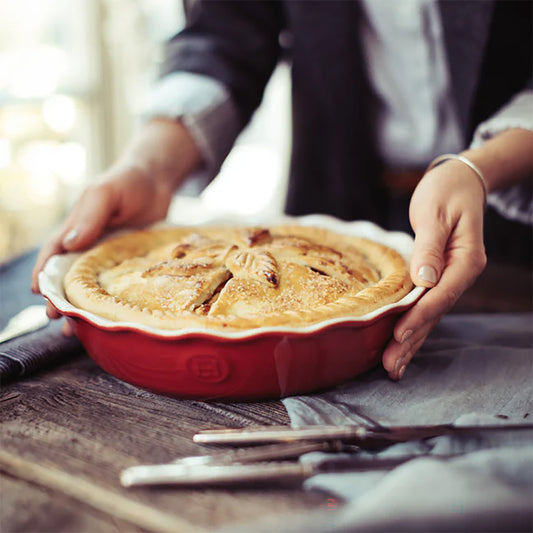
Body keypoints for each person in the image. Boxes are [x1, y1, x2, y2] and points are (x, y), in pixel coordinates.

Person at [31, 0, 532, 381]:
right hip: (337, 191)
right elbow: (227, 28)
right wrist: (149, 166)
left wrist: (479, 167)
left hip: (505, 218)